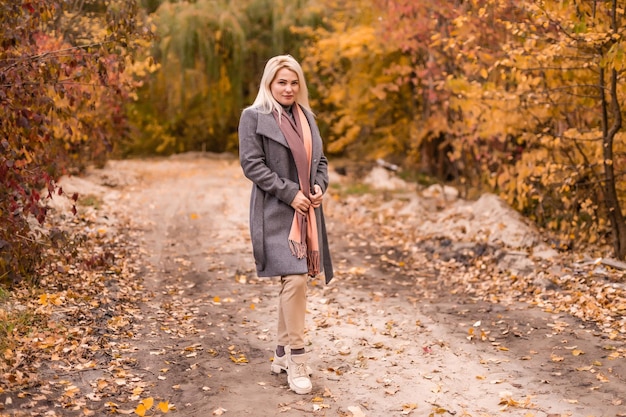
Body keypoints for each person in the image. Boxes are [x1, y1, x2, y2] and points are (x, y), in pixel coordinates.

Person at [238, 55, 334, 395]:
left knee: (293, 282)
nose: (289, 88)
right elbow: (252, 165)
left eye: (294, 82)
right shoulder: (253, 117)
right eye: (282, 82)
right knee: (294, 279)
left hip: (306, 211)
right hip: (274, 211)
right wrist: (291, 192)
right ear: (269, 84)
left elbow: (320, 161)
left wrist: (319, 185)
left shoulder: (307, 117)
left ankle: (280, 354)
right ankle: (297, 358)